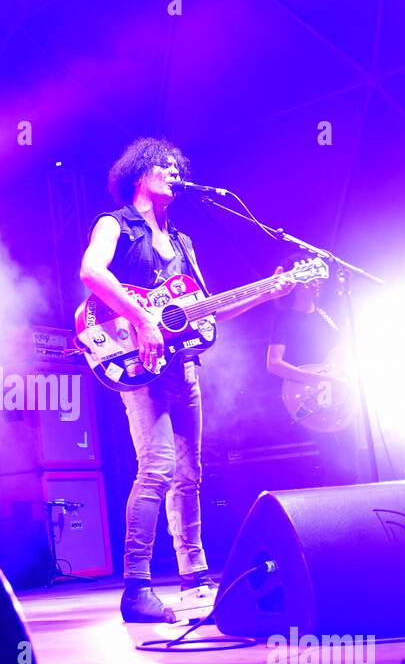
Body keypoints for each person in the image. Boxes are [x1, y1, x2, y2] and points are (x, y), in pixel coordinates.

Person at [79, 137, 291, 623]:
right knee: (155, 469)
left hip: (183, 367)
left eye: (178, 168)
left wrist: (269, 291)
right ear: (141, 175)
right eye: (165, 167)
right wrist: (142, 319)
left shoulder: (182, 243)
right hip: (136, 362)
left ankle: (194, 575)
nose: (175, 173)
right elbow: (92, 272)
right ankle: (136, 589)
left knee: (190, 475)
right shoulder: (114, 224)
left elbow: (205, 310)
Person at [265, 276, 358, 486]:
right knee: (336, 465)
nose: (317, 283)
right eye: (310, 279)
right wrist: (319, 378)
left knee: (353, 463)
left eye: (318, 279)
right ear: (297, 283)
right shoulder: (285, 318)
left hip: (339, 393)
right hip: (310, 397)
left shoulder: (325, 315)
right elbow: (273, 363)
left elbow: (339, 348)